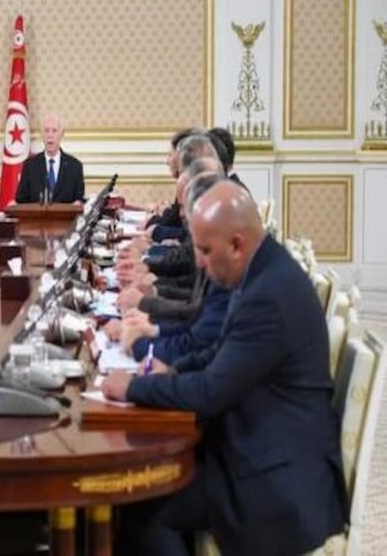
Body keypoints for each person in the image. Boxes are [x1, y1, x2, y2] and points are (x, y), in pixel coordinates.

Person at [102, 181, 347, 556]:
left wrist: (131, 388)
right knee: (144, 490)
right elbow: (215, 353)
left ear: (236, 244)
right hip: (260, 447)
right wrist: (166, 372)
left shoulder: (268, 295)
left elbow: (208, 392)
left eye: (204, 250)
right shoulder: (261, 270)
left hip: (277, 481)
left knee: (143, 506)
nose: (199, 262)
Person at [15, 113, 84, 204]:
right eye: (46, 131)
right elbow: (21, 200)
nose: (50, 135)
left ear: (62, 134)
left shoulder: (75, 167)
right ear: (42, 134)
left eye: (54, 131)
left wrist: (78, 203)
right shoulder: (30, 166)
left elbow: (79, 200)